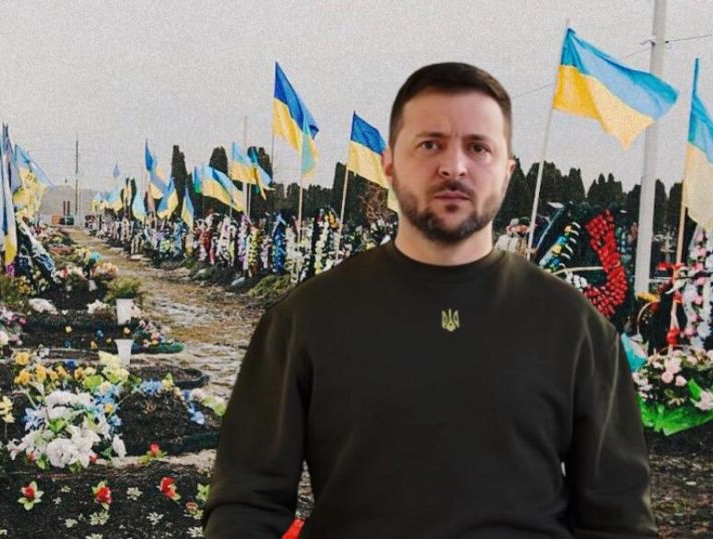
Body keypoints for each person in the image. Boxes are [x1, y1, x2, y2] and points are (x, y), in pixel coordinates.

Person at [204, 63, 655, 538]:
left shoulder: (575, 327)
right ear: (389, 164)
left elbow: (618, 518)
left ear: (507, 172)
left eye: (478, 147)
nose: (454, 166)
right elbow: (245, 502)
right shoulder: (306, 318)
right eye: (429, 144)